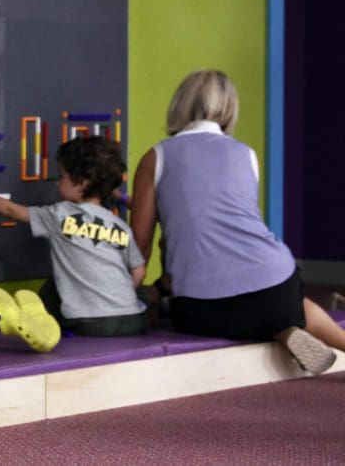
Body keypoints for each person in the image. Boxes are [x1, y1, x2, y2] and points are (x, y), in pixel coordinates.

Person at [130, 69, 344, 373]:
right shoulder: (246, 154)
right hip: (276, 289)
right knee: (292, 306)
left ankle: (278, 327)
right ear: (230, 109)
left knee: (179, 251)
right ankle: (287, 328)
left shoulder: (156, 156)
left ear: (179, 104)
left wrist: (127, 303)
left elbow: (139, 249)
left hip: (202, 311)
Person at [0, 136, 148, 337]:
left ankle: (44, 328)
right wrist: (115, 297)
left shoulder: (61, 214)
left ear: (81, 185)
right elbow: (139, 270)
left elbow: (10, 210)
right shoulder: (120, 225)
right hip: (132, 319)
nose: (57, 183)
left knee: (49, 292)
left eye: (62, 177)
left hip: (89, 323)